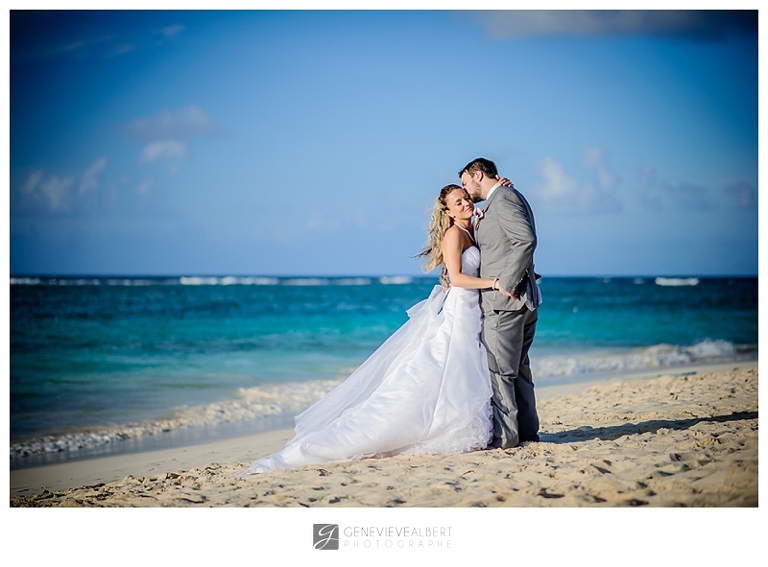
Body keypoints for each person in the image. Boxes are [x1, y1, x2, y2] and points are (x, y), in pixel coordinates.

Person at [238, 184, 502, 475]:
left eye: (466, 198)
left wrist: (497, 188)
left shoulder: (471, 229)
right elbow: (458, 278)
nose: (465, 203)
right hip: (459, 309)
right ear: (448, 212)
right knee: (443, 367)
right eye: (458, 202)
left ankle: (448, 422)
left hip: (469, 311)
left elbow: (486, 208)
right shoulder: (454, 235)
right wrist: (494, 283)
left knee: (457, 369)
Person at [459, 157, 542, 448]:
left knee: (500, 372)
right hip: (521, 298)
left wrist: (507, 281)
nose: (465, 189)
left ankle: (507, 437)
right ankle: (528, 432)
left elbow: (525, 240)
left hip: (505, 301)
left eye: (466, 182)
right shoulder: (504, 198)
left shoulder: (504, 198)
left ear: (478, 175)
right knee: (518, 369)